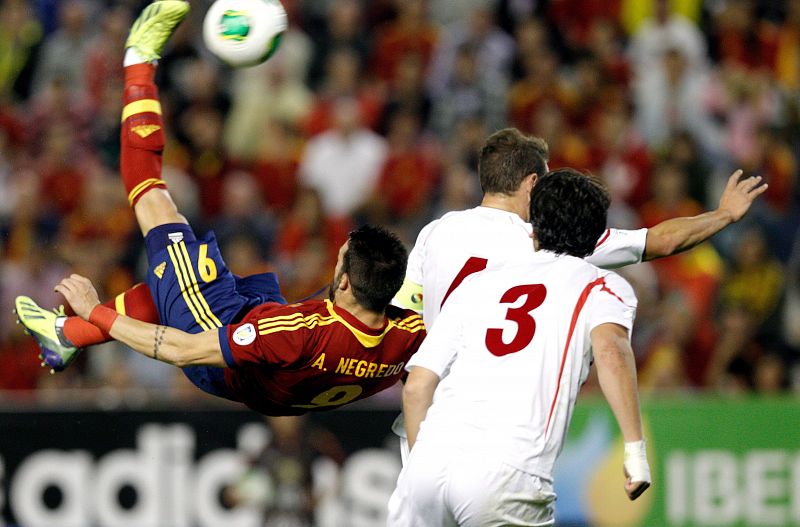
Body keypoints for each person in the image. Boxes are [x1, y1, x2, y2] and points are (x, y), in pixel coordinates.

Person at [15, 1, 426, 416]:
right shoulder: (410, 335)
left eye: (339, 260)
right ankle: (65, 334)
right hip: (272, 355)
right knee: (178, 277)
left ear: (344, 285)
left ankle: (138, 61)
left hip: (217, 343)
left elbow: (181, 350)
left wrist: (96, 311)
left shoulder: (296, 334)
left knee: (156, 201)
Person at [389, 127, 767, 461]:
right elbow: (659, 241)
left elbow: (403, 317)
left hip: (427, 415)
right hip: (497, 424)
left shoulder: (435, 232)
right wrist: (723, 215)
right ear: (533, 183)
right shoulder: (547, 239)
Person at [387, 168, 649, 526]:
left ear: (534, 227)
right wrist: (635, 450)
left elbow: (417, 385)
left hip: (428, 464)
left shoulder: (477, 284)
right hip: (507, 470)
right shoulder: (601, 286)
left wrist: (425, 467)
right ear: (596, 236)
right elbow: (611, 353)